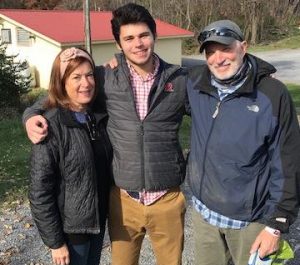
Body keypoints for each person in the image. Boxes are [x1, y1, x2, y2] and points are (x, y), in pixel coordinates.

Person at [23, 4, 187, 265]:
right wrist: (31, 114)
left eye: (143, 35)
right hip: (123, 202)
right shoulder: (105, 76)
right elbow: (63, 91)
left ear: (154, 35)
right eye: (129, 38)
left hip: (166, 198)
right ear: (119, 43)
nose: (138, 44)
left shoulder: (179, 81)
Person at [186, 20, 300, 265]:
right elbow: (154, 76)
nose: (218, 59)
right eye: (210, 52)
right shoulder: (195, 83)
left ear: (243, 47)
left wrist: (276, 225)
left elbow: (289, 164)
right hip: (204, 215)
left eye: (225, 48)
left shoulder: (272, 94)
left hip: (250, 222)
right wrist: (116, 64)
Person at [28, 47, 112, 265]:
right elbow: (40, 192)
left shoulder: (98, 115)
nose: (85, 83)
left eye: (89, 75)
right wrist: (55, 242)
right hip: (72, 231)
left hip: (98, 221)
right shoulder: (51, 125)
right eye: (76, 77)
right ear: (61, 82)